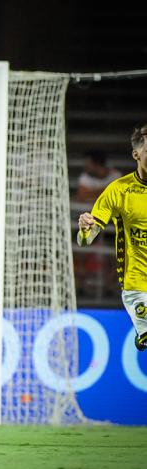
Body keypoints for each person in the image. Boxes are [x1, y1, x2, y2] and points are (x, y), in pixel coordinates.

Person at [78, 124, 147, 350]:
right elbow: (85, 240)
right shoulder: (118, 191)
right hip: (137, 284)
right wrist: (85, 229)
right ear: (136, 154)